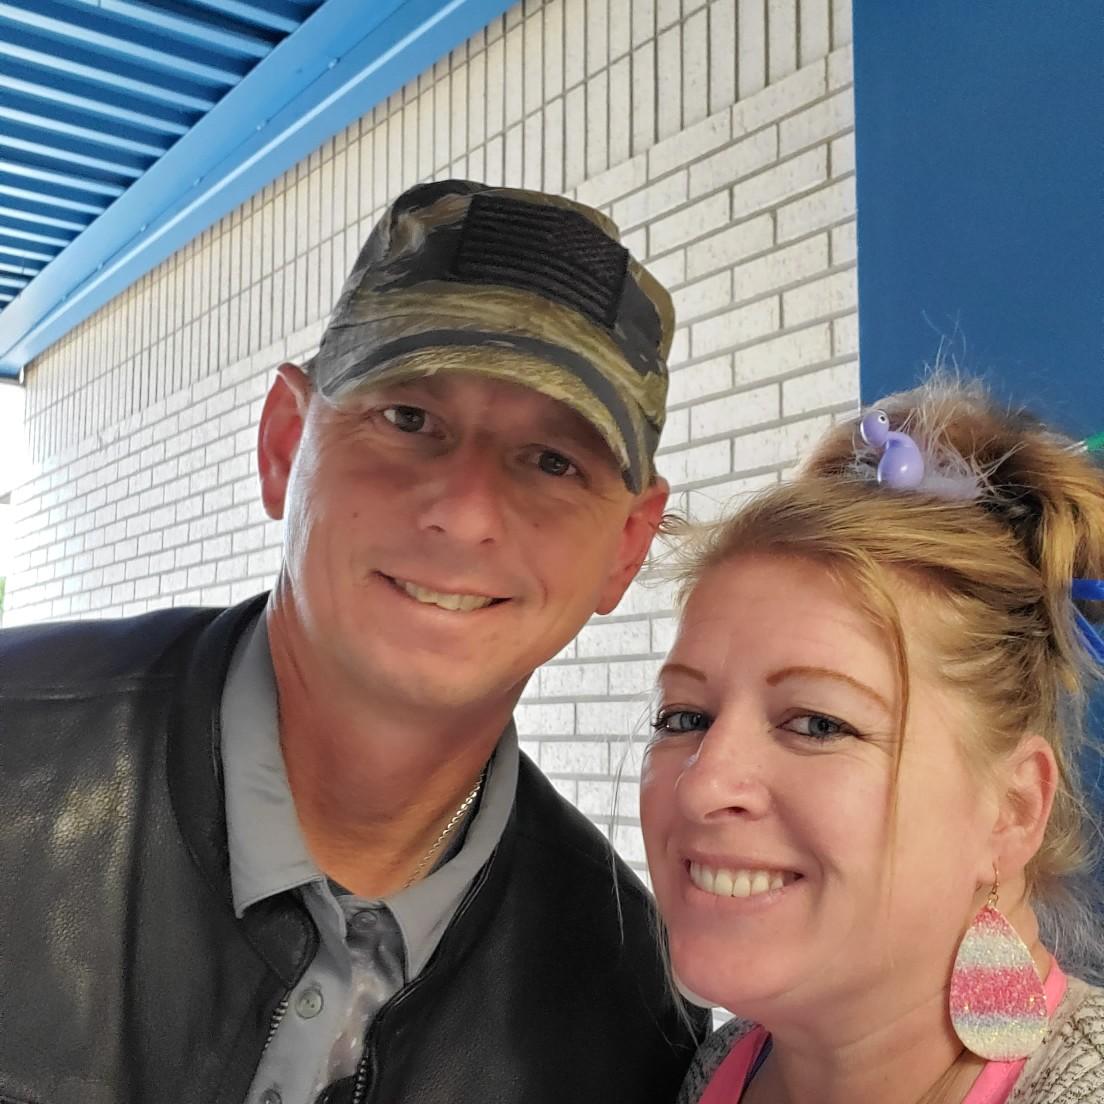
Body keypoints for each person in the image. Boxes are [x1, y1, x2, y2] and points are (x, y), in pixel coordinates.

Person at [0, 180, 708, 1104]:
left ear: (625, 548)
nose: (466, 511)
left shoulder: (630, 1004)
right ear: (285, 445)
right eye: (409, 419)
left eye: (552, 461)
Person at [640, 377, 1104, 1104]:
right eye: (684, 718)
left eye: (818, 723)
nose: (702, 784)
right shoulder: (719, 1068)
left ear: (1012, 811)